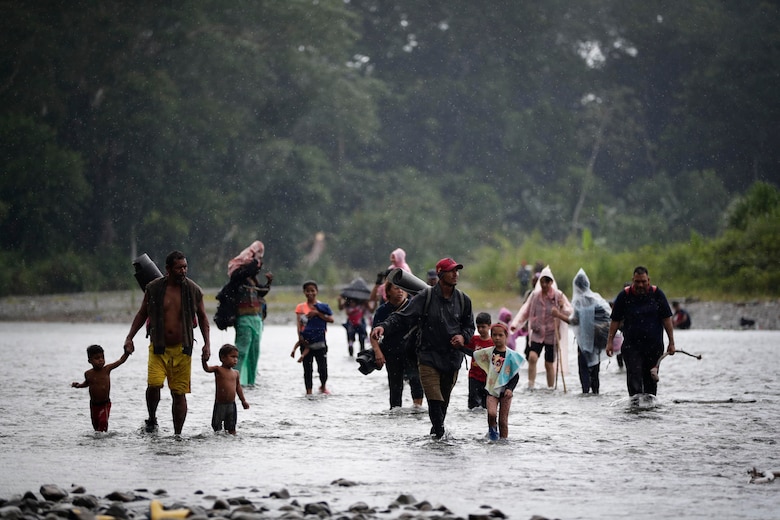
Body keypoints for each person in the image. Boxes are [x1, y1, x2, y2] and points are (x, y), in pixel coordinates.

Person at [371, 257, 475, 439]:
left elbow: (469, 326)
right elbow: (402, 316)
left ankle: (436, 437)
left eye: (456, 271)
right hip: (428, 357)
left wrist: (463, 337)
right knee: (434, 401)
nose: (455, 274)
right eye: (451, 271)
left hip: (452, 360)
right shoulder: (425, 298)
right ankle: (441, 439)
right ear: (441, 274)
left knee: (443, 405)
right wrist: (383, 326)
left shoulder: (464, 300)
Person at [124, 250, 211, 435]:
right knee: (154, 384)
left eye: (185, 267)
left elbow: (203, 318)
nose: (184, 271)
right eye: (179, 268)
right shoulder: (154, 288)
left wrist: (207, 344)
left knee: (179, 393)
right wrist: (129, 337)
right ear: (168, 269)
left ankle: (177, 434)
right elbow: (142, 313)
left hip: (183, 349)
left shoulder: (193, 290)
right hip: (158, 348)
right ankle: (152, 418)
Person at [607, 266, 676, 396]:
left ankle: (649, 412)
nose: (640, 285)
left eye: (643, 281)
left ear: (648, 280)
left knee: (650, 383)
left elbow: (667, 319)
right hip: (632, 346)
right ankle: (635, 411)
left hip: (654, 347)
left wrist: (671, 342)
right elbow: (615, 321)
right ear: (633, 280)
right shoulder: (624, 296)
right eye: (637, 281)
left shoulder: (657, 294)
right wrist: (609, 342)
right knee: (634, 379)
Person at [509, 265, 572, 390]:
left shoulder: (558, 295)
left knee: (549, 363)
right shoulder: (535, 295)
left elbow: (569, 311)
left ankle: (550, 388)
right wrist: (515, 325)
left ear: (551, 282)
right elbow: (525, 311)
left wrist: (561, 307)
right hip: (537, 333)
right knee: (532, 357)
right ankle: (531, 384)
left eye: (546, 282)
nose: (544, 284)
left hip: (551, 334)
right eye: (542, 282)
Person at [553, 269, 611, 394]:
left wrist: (558, 314)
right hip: (596, 341)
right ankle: (595, 394)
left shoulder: (579, 301)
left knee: (584, 369)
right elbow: (608, 317)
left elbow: (574, 321)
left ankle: (585, 394)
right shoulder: (596, 299)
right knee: (595, 370)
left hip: (584, 341)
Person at [369, 281, 424, 409]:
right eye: (396, 288)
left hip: (412, 352)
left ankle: (417, 411)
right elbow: (373, 335)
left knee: (416, 382)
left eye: (402, 289)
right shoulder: (382, 311)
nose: (400, 291)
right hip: (392, 352)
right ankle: (396, 414)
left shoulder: (413, 306)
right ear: (388, 291)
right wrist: (378, 353)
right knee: (395, 387)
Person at [227, 240, 273, 388]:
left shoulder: (253, 280)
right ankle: (233, 380)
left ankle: (250, 382)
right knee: (241, 351)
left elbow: (262, 292)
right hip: (244, 319)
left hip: (256, 319)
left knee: (254, 352)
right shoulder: (238, 279)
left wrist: (268, 283)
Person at [472, 323, 524, 440]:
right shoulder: (489, 353)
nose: (497, 338)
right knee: (491, 413)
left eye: (500, 335)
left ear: (506, 336)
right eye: (494, 335)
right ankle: (492, 432)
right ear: (491, 335)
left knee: (503, 421)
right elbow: (474, 354)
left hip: (506, 393)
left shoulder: (511, 355)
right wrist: (459, 347)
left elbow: (515, 375)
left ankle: (503, 442)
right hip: (492, 390)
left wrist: (510, 389)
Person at [71, 344, 131, 432]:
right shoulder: (88, 373)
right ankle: (97, 444)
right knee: (96, 426)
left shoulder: (107, 369)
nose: (100, 360)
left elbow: (121, 361)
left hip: (104, 404)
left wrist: (127, 353)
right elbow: (87, 383)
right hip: (93, 405)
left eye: (102, 357)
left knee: (103, 422)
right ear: (89, 361)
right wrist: (79, 385)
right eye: (97, 358)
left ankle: (103, 443)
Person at [295, 280, 334, 395]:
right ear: (304, 292)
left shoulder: (322, 306)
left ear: (317, 291)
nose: (310, 293)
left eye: (312, 290)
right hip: (306, 341)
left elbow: (331, 319)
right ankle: (309, 391)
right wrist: (300, 338)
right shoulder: (300, 307)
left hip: (320, 341)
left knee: (322, 367)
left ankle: (323, 386)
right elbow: (299, 324)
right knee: (307, 368)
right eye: (307, 291)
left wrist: (318, 314)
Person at [202, 344, 249, 434]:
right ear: (223, 358)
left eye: (236, 357)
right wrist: (204, 361)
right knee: (217, 427)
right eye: (232, 356)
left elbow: (238, 388)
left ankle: (231, 442)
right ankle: (218, 442)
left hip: (231, 405)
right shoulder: (218, 369)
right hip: (220, 404)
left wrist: (243, 401)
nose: (235, 359)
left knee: (231, 428)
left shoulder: (236, 373)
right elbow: (207, 369)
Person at [466, 312, 493, 410]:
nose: (481, 329)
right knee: (473, 405)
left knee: (486, 405)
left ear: (489, 326)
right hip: (474, 376)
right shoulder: (474, 340)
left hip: (488, 378)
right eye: (478, 327)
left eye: (483, 327)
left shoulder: (493, 342)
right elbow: (465, 348)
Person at [337, 278, 371, 357]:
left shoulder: (363, 304)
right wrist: (339, 301)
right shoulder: (347, 303)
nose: (352, 303)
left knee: (362, 339)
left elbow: (371, 310)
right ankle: (351, 352)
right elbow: (340, 308)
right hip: (350, 323)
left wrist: (370, 302)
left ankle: (362, 355)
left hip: (360, 323)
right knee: (350, 340)